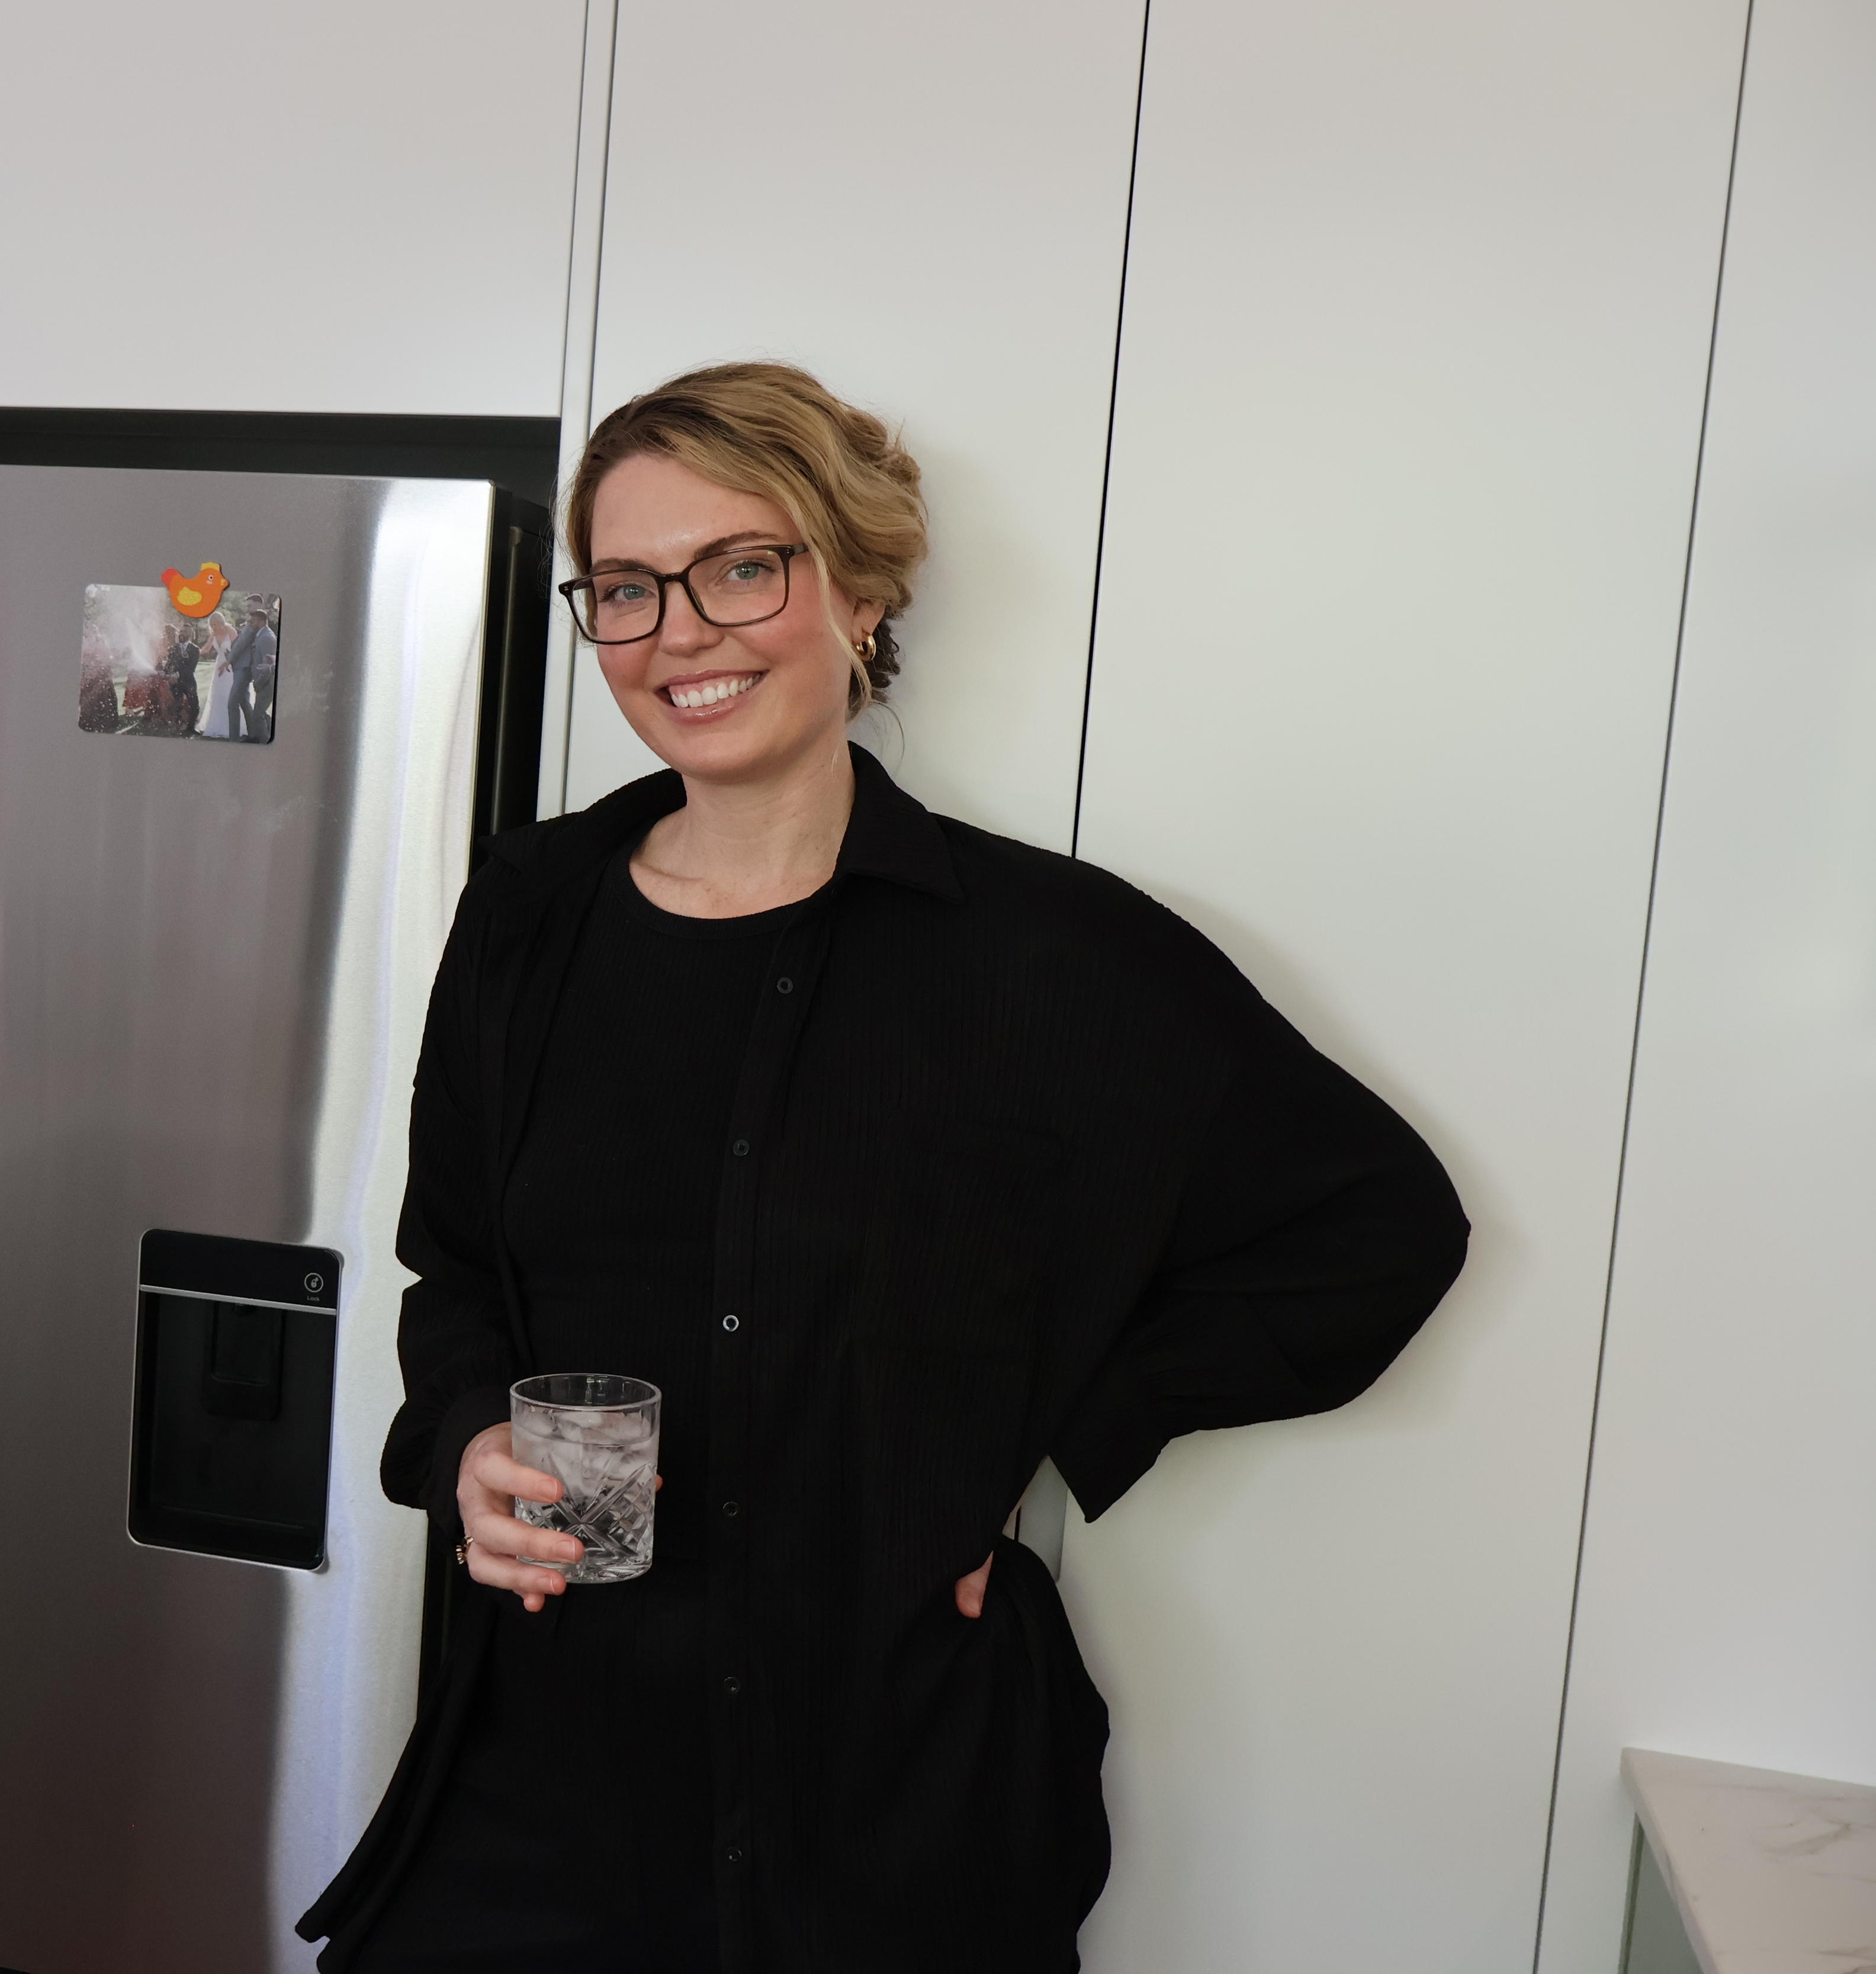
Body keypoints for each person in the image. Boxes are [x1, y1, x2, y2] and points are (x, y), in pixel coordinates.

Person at [296, 362, 1469, 1973]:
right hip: (558, 1757)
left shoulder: (1056, 957)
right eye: (627, 589)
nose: (680, 631)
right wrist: (470, 1436)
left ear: (860, 586)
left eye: (742, 565)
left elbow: (1377, 1224)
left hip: (903, 1797)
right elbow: (460, 1271)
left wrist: (1060, 1430)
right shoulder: (531, 911)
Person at [222, 601, 277, 741]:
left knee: (235, 703)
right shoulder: (256, 629)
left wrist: (230, 659)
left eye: (250, 606)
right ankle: (255, 736)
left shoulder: (262, 633)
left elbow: (243, 644)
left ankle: (237, 739)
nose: (247, 609)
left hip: (249, 672)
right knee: (247, 705)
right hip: (248, 671)